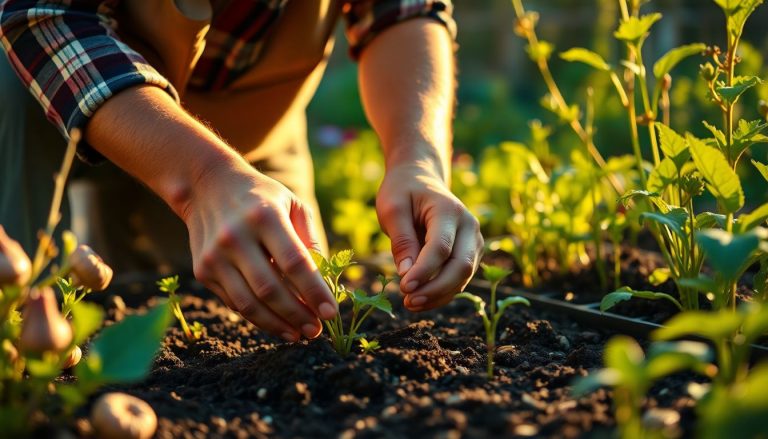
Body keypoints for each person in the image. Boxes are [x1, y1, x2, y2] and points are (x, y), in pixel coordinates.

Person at [0, 0, 483, 342]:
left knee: (290, 302)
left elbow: (401, 10)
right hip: (40, 91)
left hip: (252, 129)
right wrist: (202, 178)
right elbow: (42, 13)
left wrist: (418, 160)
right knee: (26, 320)